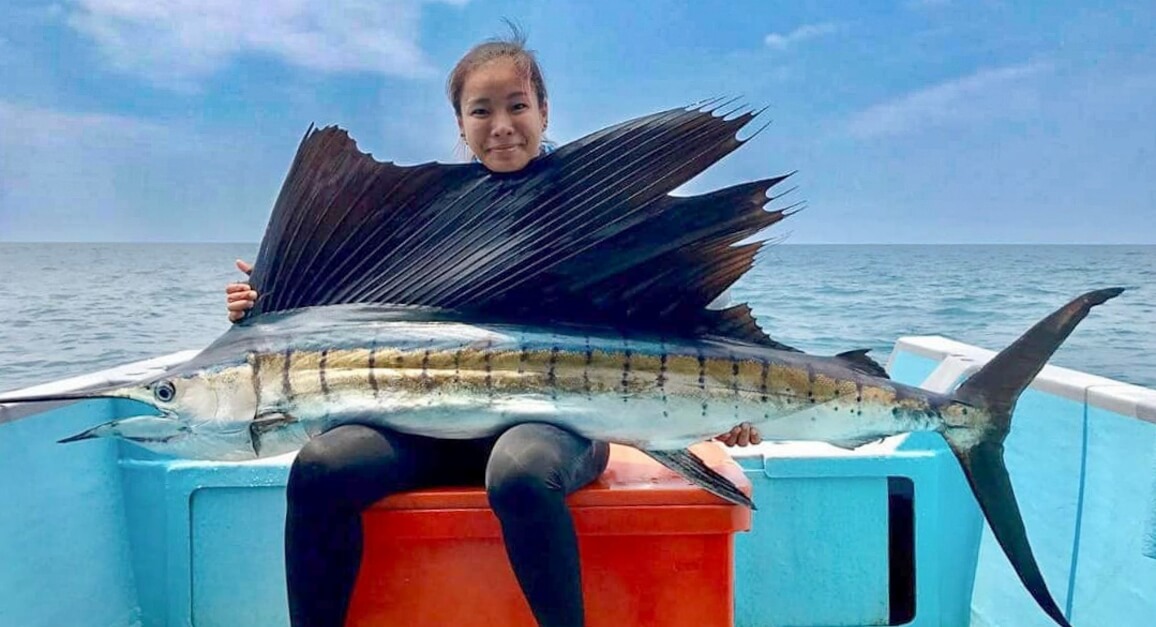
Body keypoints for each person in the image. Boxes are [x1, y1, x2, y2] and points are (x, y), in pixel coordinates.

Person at [224, 27, 761, 627]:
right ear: (459, 122)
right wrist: (267, 308)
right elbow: (345, 310)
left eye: (517, 106)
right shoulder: (420, 221)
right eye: (481, 110)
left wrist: (724, 405)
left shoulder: (588, 199)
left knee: (520, 471)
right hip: (425, 423)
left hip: (559, 421)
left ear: (544, 110)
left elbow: (674, 320)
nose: (501, 124)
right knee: (321, 467)